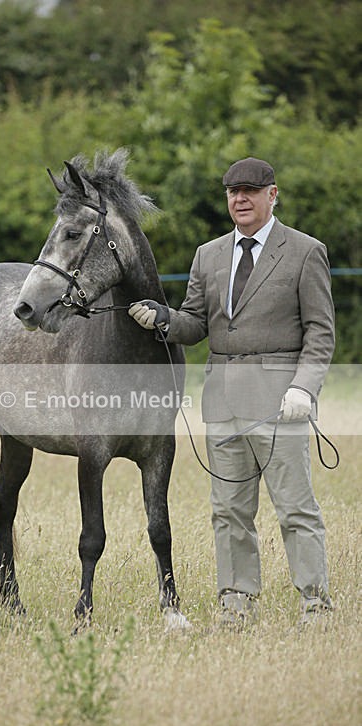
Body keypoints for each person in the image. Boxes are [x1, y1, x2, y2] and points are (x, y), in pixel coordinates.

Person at [129, 157, 335, 629]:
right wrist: (162, 319)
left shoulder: (305, 251)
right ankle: (236, 604)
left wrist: (304, 387)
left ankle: (315, 605)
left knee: (295, 508)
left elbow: (321, 333)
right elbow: (195, 323)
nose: (240, 199)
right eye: (232, 192)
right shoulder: (209, 254)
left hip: (281, 404)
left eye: (250, 191)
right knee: (228, 512)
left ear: (272, 195)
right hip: (221, 402)